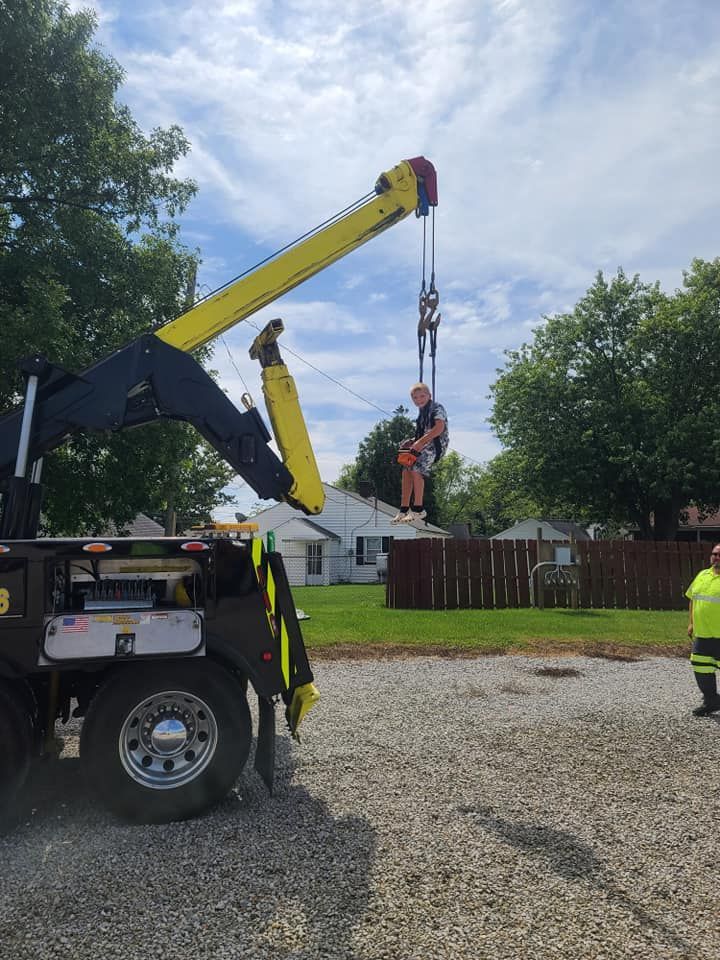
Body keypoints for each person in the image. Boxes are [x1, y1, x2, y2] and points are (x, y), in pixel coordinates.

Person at [391, 382, 448, 523]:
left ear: (429, 395)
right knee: (406, 468)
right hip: (424, 445)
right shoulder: (422, 413)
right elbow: (422, 433)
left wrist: (420, 442)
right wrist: (412, 441)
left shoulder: (437, 408)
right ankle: (404, 509)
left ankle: (418, 509)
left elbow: (439, 428)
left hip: (436, 446)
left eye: (422, 396)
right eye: (415, 398)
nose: (419, 400)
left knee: (416, 468)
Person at [686, 543, 720, 716]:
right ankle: (711, 700)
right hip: (702, 635)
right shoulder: (702, 575)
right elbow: (692, 598)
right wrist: (691, 622)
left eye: (719, 555)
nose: (716, 557)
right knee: (701, 668)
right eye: (714, 554)